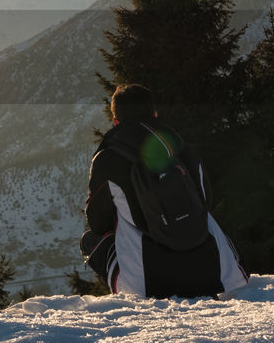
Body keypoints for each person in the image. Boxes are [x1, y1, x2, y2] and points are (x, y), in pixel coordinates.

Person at [81, 84, 248, 298]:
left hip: (147, 285)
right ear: (156, 115)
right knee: (212, 220)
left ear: (115, 122)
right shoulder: (184, 149)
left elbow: (97, 222)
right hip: (215, 276)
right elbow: (205, 202)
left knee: (90, 240)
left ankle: (129, 288)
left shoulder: (106, 160)